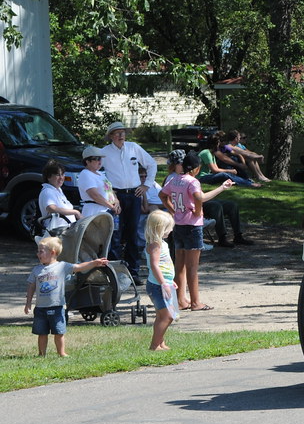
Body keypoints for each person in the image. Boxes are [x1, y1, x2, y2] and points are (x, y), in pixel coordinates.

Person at [160, 151, 233, 311]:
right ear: (196, 169)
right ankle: (195, 302)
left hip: (178, 225)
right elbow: (199, 198)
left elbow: (162, 195)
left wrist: (172, 211)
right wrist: (219, 190)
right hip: (192, 227)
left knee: (179, 265)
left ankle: (180, 300)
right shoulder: (192, 182)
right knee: (192, 267)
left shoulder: (175, 179)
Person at [24, 236, 109, 357]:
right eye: (38, 251)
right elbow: (31, 286)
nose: (38, 254)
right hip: (41, 308)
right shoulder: (37, 270)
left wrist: (94, 263)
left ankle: (61, 352)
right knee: (41, 333)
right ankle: (41, 353)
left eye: (41, 251)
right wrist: (28, 303)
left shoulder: (62, 266)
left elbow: (79, 267)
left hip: (57, 307)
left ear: (52, 253)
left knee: (59, 332)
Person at [100, 121, 158, 285]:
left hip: (133, 194)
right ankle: (115, 273)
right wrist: (109, 193)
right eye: (117, 133)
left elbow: (151, 164)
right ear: (111, 136)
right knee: (116, 233)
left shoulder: (133, 147)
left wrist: (146, 185)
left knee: (133, 233)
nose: (121, 136)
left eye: (123, 132)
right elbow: (97, 172)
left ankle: (133, 272)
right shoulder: (104, 152)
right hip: (116, 195)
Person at [144, 209, 177, 351]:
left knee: (161, 315)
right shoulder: (155, 245)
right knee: (167, 316)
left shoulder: (161, 243)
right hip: (158, 286)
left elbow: (165, 264)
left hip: (164, 283)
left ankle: (160, 342)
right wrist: (163, 282)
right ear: (160, 229)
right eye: (168, 228)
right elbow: (155, 265)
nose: (170, 231)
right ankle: (154, 345)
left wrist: (170, 280)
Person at [38, 159, 81, 235]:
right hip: (55, 234)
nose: (61, 177)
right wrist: (75, 212)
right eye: (58, 175)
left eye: (63, 174)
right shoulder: (47, 191)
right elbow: (51, 208)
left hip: (66, 232)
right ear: (49, 177)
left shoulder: (58, 190)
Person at [77, 146, 120, 220]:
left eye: (100, 159)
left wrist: (116, 202)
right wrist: (111, 207)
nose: (100, 162)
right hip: (94, 211)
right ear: (87, 161)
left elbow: (110, 190)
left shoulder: (100, 174)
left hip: (106, 210)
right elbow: (94, 195)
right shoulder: (85, 174)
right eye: (96, 159)